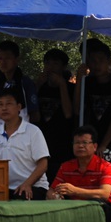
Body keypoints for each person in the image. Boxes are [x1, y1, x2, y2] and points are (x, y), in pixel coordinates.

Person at [75, 38, 111, 176]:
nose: (97, 65)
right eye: (93, 61)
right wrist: (79, 80)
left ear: (109, 61)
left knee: (105, 162)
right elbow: (77, 109)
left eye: (101, 60)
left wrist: (103, 145)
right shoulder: (88, 83)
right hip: (96, 138)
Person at [47, 125, 111, 222]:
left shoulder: (106, 166)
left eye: (85, 143)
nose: (80, 146)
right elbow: (51, 190)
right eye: (76, 143)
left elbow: (104, 194)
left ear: (95, 146)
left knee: (96, 204)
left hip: (103, 210)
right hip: (74, 209)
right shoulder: (65, 166)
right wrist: (55, 197)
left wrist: (75, 191)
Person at [0, 88, 50, 200]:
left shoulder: (33, 131)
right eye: (0, 104)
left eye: (9, 104)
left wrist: (27, 184)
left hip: (33, 186)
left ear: (19, 107)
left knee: (21, 197)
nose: (4, 108)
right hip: (4, 188)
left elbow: (43, 164)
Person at [35, 48, 74, 182]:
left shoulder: (70, 88)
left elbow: (68, 113)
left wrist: (62, 85)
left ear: (63, 67)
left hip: (62, 144)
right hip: (41, 142)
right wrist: (38, 85)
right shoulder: (39, 86)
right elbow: (31, 110)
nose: (50, 67)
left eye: (55, 64)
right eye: (47, 63)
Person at [0, 41, 40, 125]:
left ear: (17, 59)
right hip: (0, 130)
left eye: (7, 58)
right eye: (0, 58)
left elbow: (35, 115)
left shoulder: (25, 82)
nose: (3, 62)